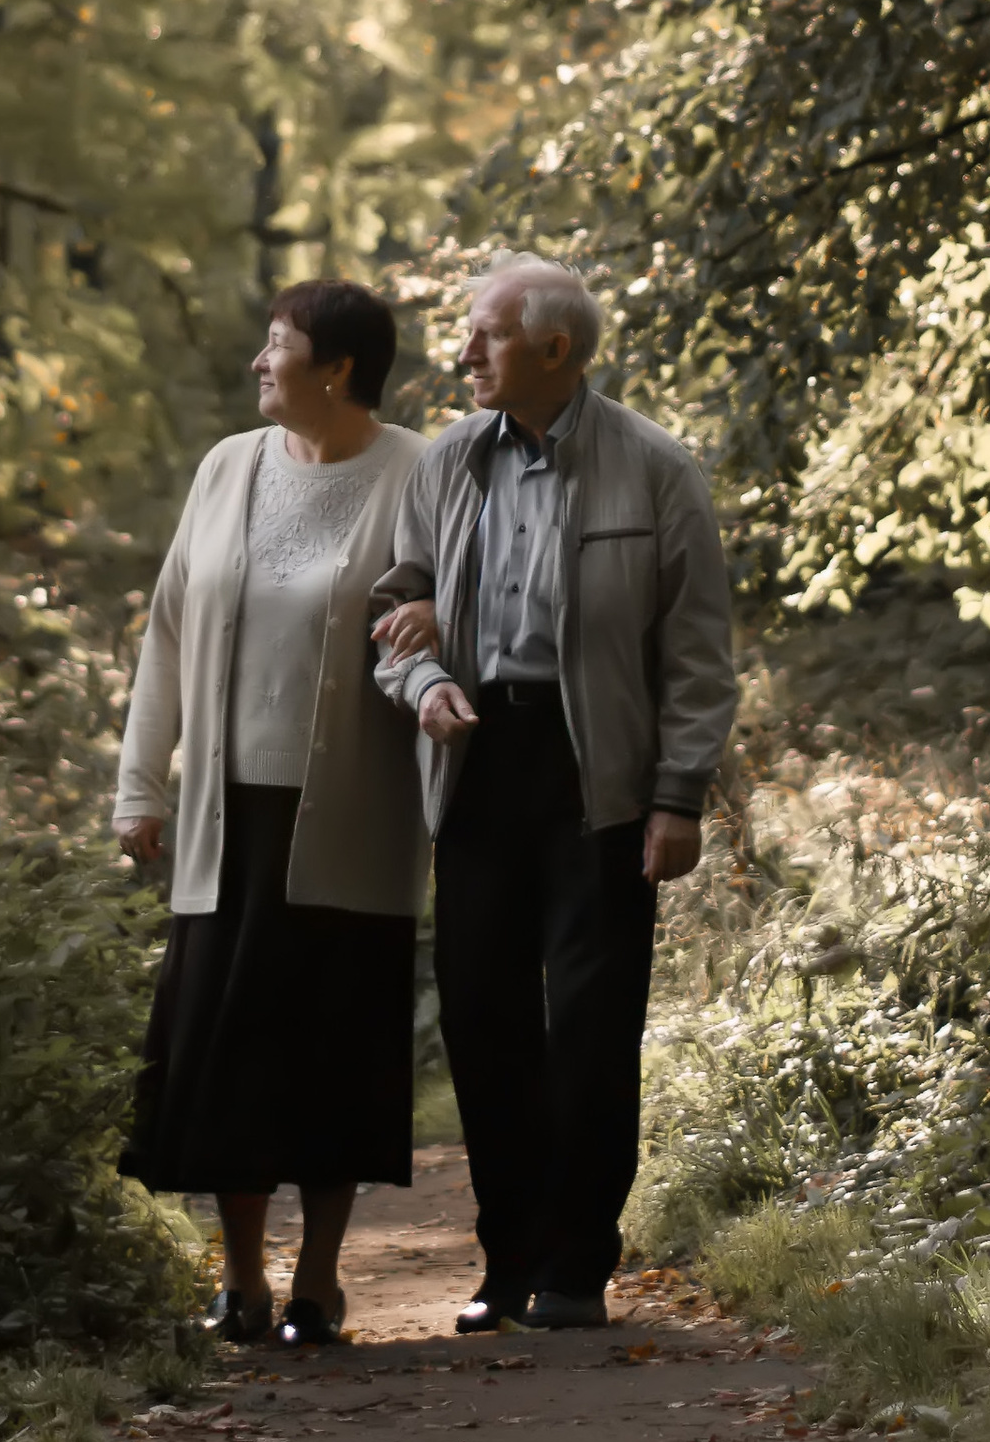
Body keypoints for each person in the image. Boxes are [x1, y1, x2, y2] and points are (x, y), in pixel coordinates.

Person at [371, 257, 734, 1335]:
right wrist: (427, 679)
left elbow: (698, 653)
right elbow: (397, 611)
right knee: (483, 1022)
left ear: (553, 350)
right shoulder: (446, 464)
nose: (465, 353)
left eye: (483, 335)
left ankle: (576, 1265)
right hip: (479, 761)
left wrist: (679, 797)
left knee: (589, 1020)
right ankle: (507, 1255)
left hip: (602, 777)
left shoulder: (656, 469)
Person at [113, 282, 427, 1348]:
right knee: (225, 1047)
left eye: (278, 346)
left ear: (334, 369)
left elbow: (445, 615)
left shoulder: (416, 473)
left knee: (332, 1046)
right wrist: (139, 784)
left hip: (349, 814)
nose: (259, 362)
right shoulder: (225, 468)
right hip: (222, 819)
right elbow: (164, 632)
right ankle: (241, 1280)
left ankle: (320, 1281)